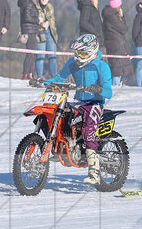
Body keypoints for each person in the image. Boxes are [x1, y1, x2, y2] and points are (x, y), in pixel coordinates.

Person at [42, 34, 113, 185]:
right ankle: (60, 147)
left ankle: (94, 172)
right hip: (78, 101)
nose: (78, 57)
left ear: (92, 52)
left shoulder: (101, 66)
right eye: (76, 53)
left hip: (94, 103)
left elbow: (109, 92)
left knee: (88, 130)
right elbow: (59, 78)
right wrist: (42, 82)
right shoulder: (72, 63)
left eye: (82, 53)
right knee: (60, 116)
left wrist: (98, 89)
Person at [100, 0, 132, 86]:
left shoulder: (108, 14)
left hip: (113, 44)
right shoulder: (112, 16)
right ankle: (115, 87)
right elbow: (123, 28)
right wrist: (122, 17)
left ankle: (116, 85)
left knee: (117, 68)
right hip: (116, 44)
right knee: (117, 69)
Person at [17, 0, 40, 80]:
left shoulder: (27, 2)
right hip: (29, 30)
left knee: (32, 53)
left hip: (31, 29)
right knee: (30, 53)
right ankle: (26, 74)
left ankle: (30, 73)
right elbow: (27, 17)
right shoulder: (28, 3)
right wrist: (38, 20)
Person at [35, 0, 60, 79]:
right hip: (40, 33)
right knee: (40, 56)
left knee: (52, 57)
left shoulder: (50, 7)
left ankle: (54, 77)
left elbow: (52, 19)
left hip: (50, 33)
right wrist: (41, 23)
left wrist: (48, 23)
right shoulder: (35, 6)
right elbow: (33, 20)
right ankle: (40, 77)